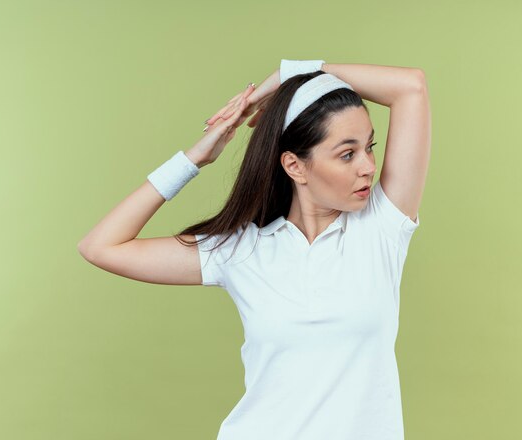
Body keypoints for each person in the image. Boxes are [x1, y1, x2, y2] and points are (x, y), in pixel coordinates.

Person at [78, 59, 431, 440]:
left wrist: (292, 72)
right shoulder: (241, 249)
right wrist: (195, 158)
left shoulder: (381, 227)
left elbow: (410, 86)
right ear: (295, 166)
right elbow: (101, 246)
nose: (367, 167)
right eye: (347, 154)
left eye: (369, 147)